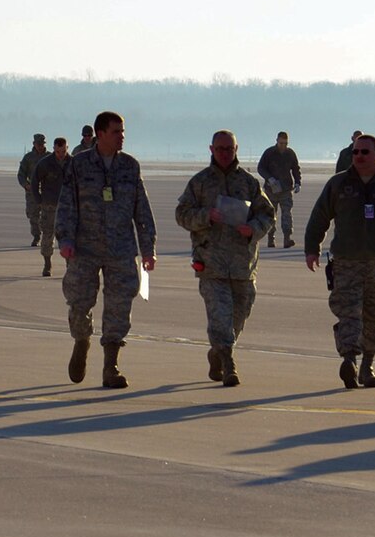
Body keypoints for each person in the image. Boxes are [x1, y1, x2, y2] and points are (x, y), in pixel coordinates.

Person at [305, 133, 375, 389]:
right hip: (347, 262)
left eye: (365, 152)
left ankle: (367, 365)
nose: (359, 157)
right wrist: (312, 249)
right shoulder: (338, 184)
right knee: (348, 314)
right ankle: (349, 360)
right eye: (355, 152)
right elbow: (319, 217)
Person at [56, 111, 156, 387]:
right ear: (100, 134)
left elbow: (142, 209)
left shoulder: (130, 166)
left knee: (119, 305)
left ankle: (110, 366)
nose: (122, 136)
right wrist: (65, 240)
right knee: (79, 303)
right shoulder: (78, 165)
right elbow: (66, 205)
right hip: (84, 248)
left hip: (121, 248)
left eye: (123, 132)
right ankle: (81, 340)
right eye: (116, 132)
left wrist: (148, 249)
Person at [175, 131, 275, 387]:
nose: (224, 153)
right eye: (220, 148)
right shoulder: (199, 183)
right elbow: (182, 214)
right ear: (211, 149)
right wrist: (206, 215)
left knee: (239, 315)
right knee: (220, 315)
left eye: (229, 148)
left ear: (236, 148)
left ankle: (218, 351)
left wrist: (253, 228)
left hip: (243, 264)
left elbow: (267, 215)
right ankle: (229, 363)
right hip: (211, 263)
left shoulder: (249, 183)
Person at [31, 136, 69, 276]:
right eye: (58, 151)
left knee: (68, 236)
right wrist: (39, 199)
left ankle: (69, 265)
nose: (61, 154)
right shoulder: (45, 163)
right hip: (49, 205)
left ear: (67, 149)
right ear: (54, 149)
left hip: (67, 208)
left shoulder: (73, 163)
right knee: (47, 235)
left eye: (63, 151)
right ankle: (47, 264)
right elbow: (35, 182)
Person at [256, 131, 302, 249]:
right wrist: (269, 178)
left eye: (285, 143)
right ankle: (271, 239)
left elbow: (296, 169)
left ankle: (287, 238)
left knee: (287, 214)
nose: (283, 145)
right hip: (271, 190)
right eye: (281, 143)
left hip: (286, 189)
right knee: (271, 215)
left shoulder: (290, 153)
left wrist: (298, 182)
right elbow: (260, 168)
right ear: (277, 141)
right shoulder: (269, 153)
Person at [16, 132, 48, 247]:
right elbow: (21, 174)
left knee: (48, 215)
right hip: (32, 191)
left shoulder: (50, 157)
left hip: (47, 192)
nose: (40, 146)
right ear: (34, 144)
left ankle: (47, 236)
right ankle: (36, 236)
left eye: (42, 144)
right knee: (33, 215)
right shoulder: (28, 158)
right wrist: (25, 185)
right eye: (38, 144)